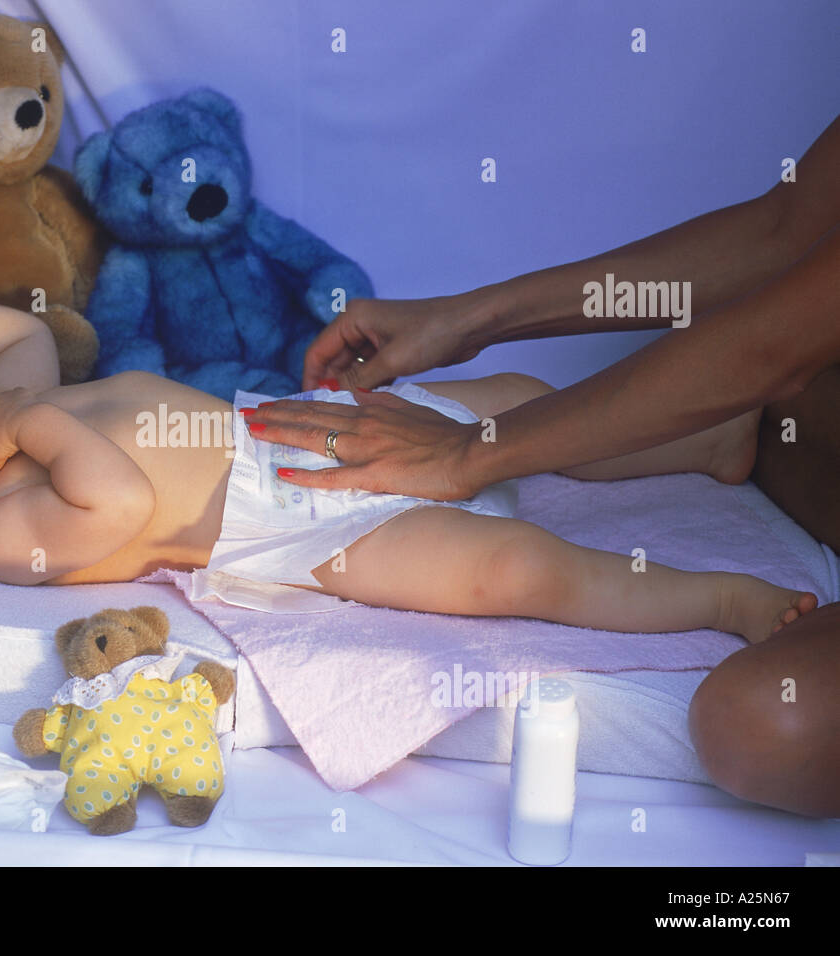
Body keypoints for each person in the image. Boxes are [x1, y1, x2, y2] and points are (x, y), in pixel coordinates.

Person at [244, 114, 840, 817]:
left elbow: (776, 348)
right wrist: (469, 320)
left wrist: (464, 454)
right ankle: (719, 437)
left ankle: (723, 570)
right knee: (495, 413)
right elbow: (783, 232)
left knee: (764, 725)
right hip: (784, 425)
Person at [0, 296, 813, 659]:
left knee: (522, 405)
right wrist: (35, 422)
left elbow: (16, 333)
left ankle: (696, 442)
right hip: (299, 530)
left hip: (311, 428)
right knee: (508, 568)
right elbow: (123, 504)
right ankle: (716, 597)